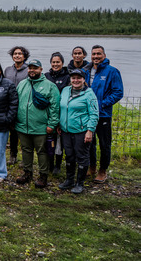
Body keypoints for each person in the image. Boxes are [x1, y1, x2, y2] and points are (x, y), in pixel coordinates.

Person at [14, 59, 60, 188]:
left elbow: (55, 107)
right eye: (30, 68)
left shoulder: (50, 86)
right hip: (23, 125)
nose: (32, 70)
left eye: (35, 68)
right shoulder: (22, 84)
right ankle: (27, 173)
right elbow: (16, 103)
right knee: (26, 150)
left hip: (41, 127)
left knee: (42, 152)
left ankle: (43, 175)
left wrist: (52, 124)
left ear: (40, 69)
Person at [85, 45, 124, 183]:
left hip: (103, 114)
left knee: (104, 144)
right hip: (88, 114)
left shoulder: (112, 71)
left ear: (104, 55)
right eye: (93, 54)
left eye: (98, 54)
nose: (96, 56)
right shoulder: (87, 70)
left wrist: (101, 104)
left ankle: (103, 171)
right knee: (89, 142)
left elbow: (118, 92)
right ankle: (92, 167)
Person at [58, 69, 99, 194]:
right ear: (70, 79)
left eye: (78, 78)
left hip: (81, 131)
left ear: (84, 79)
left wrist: (90, 130)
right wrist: (60, 123)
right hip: (66, 130)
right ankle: (69, 180)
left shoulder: (89, 94)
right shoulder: (65, 90)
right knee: (69, 155)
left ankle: (80, 183)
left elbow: (94, 114)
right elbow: (62, 108)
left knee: (82, 156)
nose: (76, 80)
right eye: (73, 78)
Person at [44, 51, 71, 175]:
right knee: (49, 140)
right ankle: (49, 164)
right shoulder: (46, 76)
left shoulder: (67, 76)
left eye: (58, 62)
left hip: (62, 113)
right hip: (48, 113)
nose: (55, 64)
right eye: (53, 62)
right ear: (50, 63)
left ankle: (58, 165)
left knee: (60, 141)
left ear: (62, 63)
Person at [4, 45, 30, 165]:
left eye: (20, 54)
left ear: (24, 56)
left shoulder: (28, 70)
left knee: (24, 132)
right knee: (12, 131)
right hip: (9, 104)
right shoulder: (8, 70)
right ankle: (12, 156)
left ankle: (26, 158)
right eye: (15, 54)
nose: (17, 56)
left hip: (24, 105)